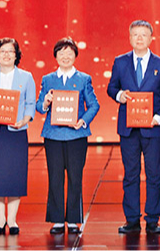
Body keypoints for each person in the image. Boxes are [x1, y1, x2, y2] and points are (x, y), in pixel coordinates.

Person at [107, 20, 160, 235]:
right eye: (135, 34)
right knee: (130, 174)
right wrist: (119, 95)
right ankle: (132, 219)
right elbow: (111, 88)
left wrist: (159, 117)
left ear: (151, 38)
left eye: (143, 34)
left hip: (152, 129)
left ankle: (153, 220)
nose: (139, 38)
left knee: (154, 174)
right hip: (128, 129)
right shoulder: (120, 62)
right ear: (129, 38)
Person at [36, 37, 101, 235]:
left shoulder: (83, 79)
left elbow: (94, 105)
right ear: (55, 56)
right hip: (53, 136)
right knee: (55, 177)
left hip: (76, 136)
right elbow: (39, 107)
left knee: (75, 177)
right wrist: (46, 102)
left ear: (75, 55)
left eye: (69, 53)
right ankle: (57, 220)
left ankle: (73, 219)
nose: (65, 56)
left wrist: (83, 121)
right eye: (61, 53)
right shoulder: (48, 79)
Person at [0, 37, 36, 235]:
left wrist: (24, 120)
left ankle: (12, 219)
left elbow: (30, 103)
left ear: (16, 55)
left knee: (15, 175)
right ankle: (0, 219)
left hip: (16, 132)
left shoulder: (26, 77)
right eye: (2, 51)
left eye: (10, 51)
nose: (6, 55)